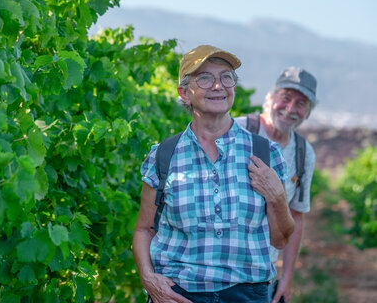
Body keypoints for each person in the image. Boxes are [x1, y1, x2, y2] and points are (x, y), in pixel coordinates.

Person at [133, 44, 295, 303]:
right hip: (178, 293)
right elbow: (144, 229)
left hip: (248, 294)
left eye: (226, 77)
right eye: (205, 78)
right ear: (184, 93)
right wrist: (149, 279)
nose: (218, 86)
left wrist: (276, 196)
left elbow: (281, 239)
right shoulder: (164, 155)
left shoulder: (265, 153)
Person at [235, 67, 317, 303]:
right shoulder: (237, 129)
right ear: (270, 98)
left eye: (301, 104)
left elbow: (296, 217)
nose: (291, 109)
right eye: (286, 98)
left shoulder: (303, 153)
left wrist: (286, 278)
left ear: (308, 113)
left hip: (261, 273)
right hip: (217, 268)